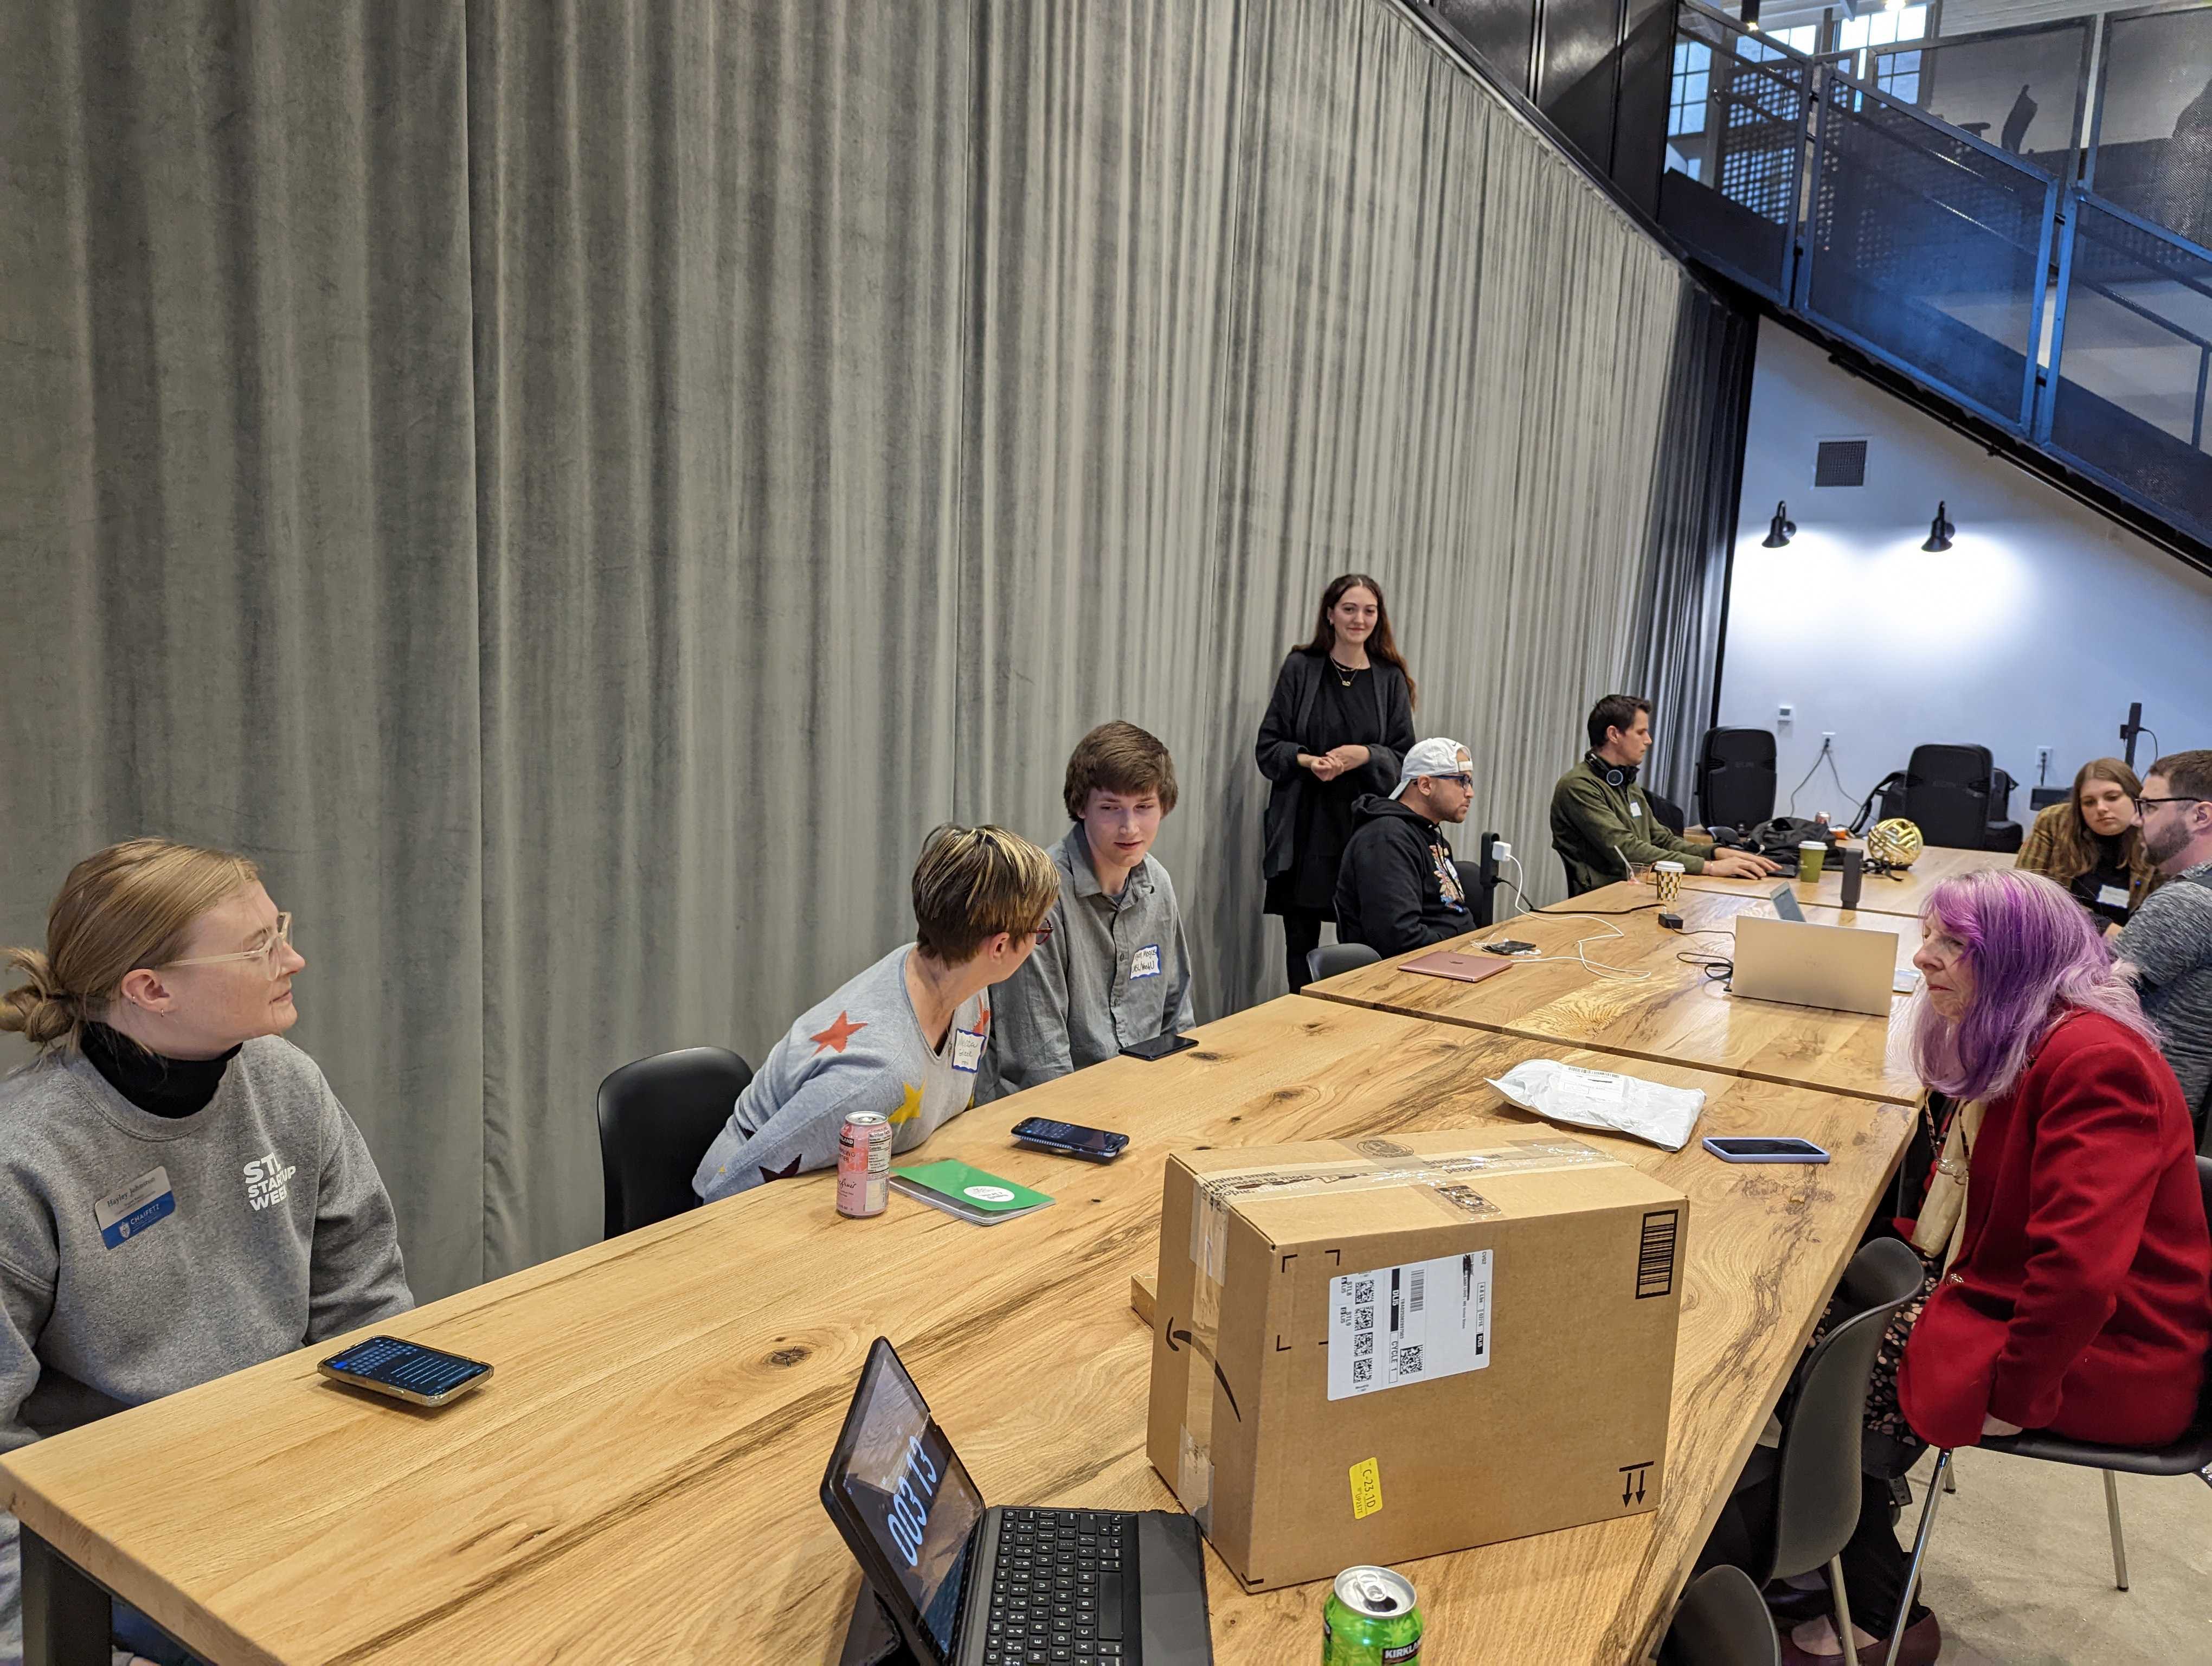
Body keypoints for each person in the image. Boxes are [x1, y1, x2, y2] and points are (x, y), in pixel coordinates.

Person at [1772, 869, 2210, 1665]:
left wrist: (2018, 1391)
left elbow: (2080, 1276)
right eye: (1930, 937)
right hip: (2038, 1317)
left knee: (1841, 1357)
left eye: (1953, 944)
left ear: (2015, 959)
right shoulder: (2037, 1037)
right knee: (1821, 1315)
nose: (1926, 958)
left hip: (2108, 1355)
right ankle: (1814, 1555)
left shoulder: (2092, 1061)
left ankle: (1876, 1608)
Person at [1, 840, 413, 1666]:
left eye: (280, 929)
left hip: (292, 1500)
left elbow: (364, 1311)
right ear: (149, 989)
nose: (292, 958)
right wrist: (47, 1646)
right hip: (123, 1555)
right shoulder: (25, 1159)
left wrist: (402, 1496)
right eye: (260, 947)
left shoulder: (286, 1084)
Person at [695, 825, 1059, 1202]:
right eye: (1039, 930)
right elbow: (726, 1191)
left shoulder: (968, 990)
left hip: (882, 1183)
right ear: (999, 946)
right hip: (749, 1206)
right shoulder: (876, 1075)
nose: (1037, 941)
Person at [979, 723, 1196, 1102]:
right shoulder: (1040, 897)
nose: (1130, 828)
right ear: (1082, 807)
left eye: (1144, 807)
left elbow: (1177, 1016)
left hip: (1144, 1098)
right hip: (1063, 1110)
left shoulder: (1157, 882)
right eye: (1111, 809)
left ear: (1164, 806)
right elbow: (1038, 1061)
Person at [1255, 574, 1417, 992]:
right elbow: (1268, 748)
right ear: (1330, 614)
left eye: (1369, 610)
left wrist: (1363, 755)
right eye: (1349, 609)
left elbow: (1405, 762)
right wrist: (1311, 761)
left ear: (1378, 618)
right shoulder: (1301, 668)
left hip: (1365, 829)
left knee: (1366, 942)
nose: (1359, 619)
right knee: (1301, 945)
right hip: (1305, 826)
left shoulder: (1389, 678)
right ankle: (1299, 1028)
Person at [1548, 694, 1778, 896]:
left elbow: (1662, 839)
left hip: (1638, 893)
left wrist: (1717, 852)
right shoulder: (1579, 787)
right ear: (1614, 734)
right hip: (1602, 903)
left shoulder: (1625, 782)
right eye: (1641, 732)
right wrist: (1708, 867)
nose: (1648, 740)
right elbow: (1628, 851)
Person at [2116, 749, 2212, 1131]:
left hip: (2138, 1112)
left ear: (2201, 816)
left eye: (2150, 807)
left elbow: (2084, 994)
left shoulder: (2188, 902)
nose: (2137, 820)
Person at [1335, 737, 1476, 959]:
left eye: (1470, 783)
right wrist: (1461, 951)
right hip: (1405, 976)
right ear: (1425, 785)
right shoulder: (1386, 839)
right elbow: (1399, 938)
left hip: (1447, 961)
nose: (1470, 793)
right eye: (1461, 781)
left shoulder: (1430, 835)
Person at [2015, 756, 2160, 931]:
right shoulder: (2055, 822)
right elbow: (2023, 893)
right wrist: (2099, 926)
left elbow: (2165, 923)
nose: (2101, 808)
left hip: (2129, 947)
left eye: (2112, 797)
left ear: (2135, 797)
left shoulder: (2159, 834)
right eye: (2089, 802)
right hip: (2062, 936)